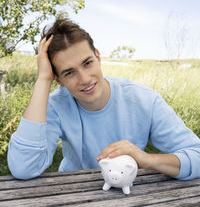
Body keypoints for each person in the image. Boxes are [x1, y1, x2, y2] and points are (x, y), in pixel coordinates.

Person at [7, 17, 200, 180]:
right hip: (73, 194)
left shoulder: (144, 99)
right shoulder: (56, 105)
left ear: (98, 57)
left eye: (88, 63)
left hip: (129, 193)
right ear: (58, 80)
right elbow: (23, 167)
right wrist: (43, 80)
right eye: (69, 72)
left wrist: (146, 160)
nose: (85, 79)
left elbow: (196, 155)